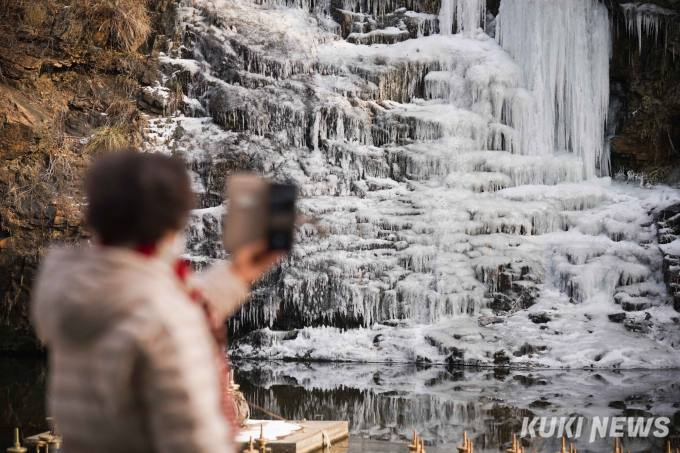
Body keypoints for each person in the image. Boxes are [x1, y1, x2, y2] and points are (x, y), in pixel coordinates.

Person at [31, 150, 282, 453]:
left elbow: (163, 301)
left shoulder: (82, 288)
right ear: (173, 220)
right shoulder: (163, 317)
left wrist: (239, 273)